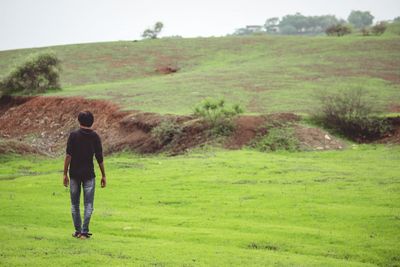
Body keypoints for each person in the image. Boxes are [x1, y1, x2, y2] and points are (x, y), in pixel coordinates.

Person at [63, 111, 106, 239]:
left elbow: (68, 156)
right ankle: (84, 231)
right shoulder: (95, 137)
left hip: (75, 174)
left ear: (79, 121)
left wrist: (65, 174)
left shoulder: (73, 135)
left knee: (74, 204)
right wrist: (104, 175)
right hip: (89, 174)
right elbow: (99, 158)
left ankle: (77, 231)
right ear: (92, 121)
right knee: (89, 205)